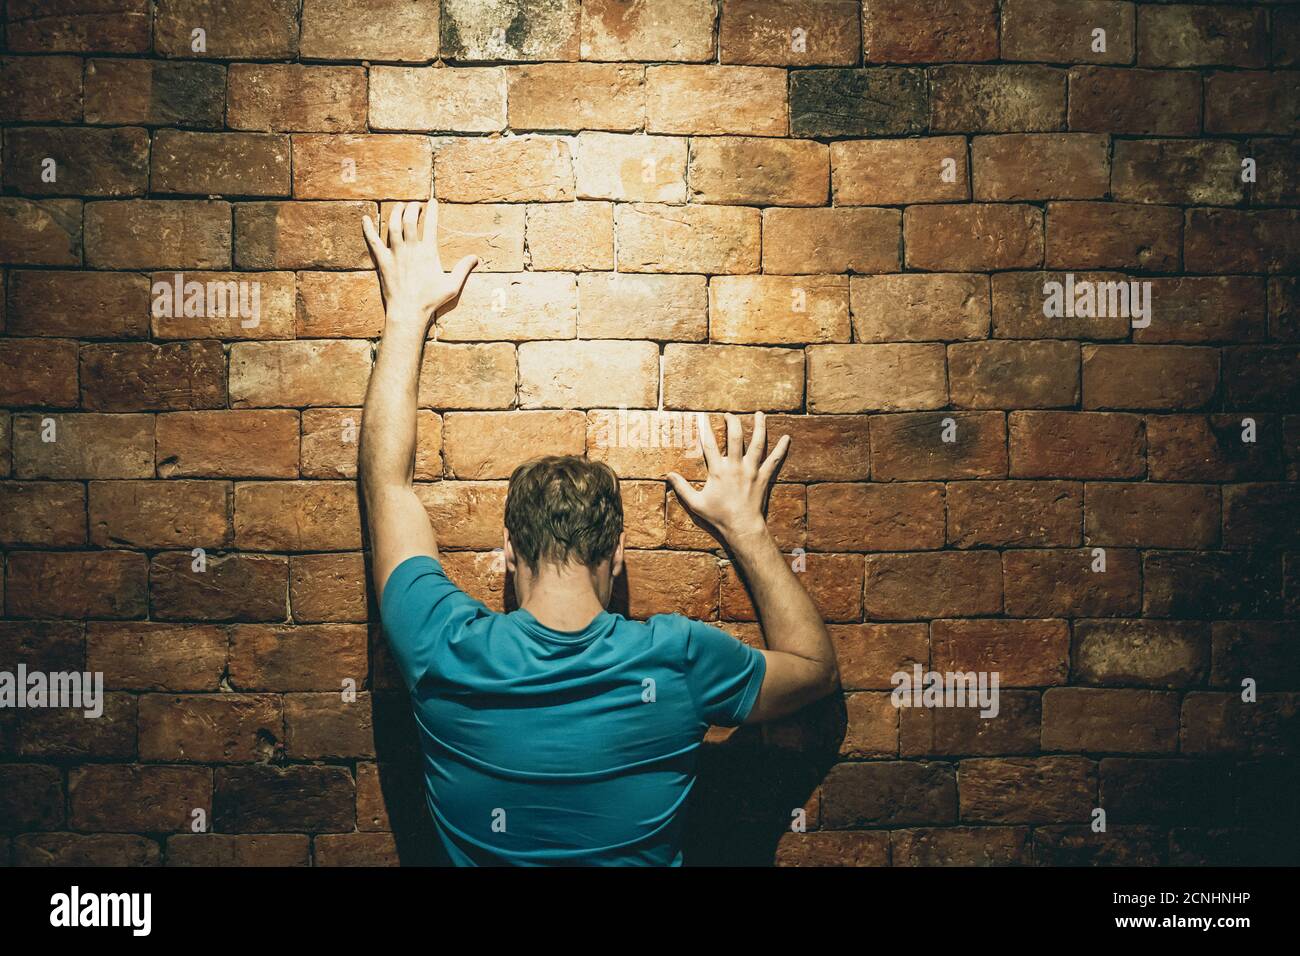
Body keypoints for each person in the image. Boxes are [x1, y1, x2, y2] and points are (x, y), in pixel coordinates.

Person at [359, 200, 839, 865]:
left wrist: (407, 312)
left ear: (508, 551)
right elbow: (815, 672)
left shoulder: (442, 647)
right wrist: (744, 525)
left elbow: (387, 485)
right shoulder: (676, 663)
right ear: (618, 553)